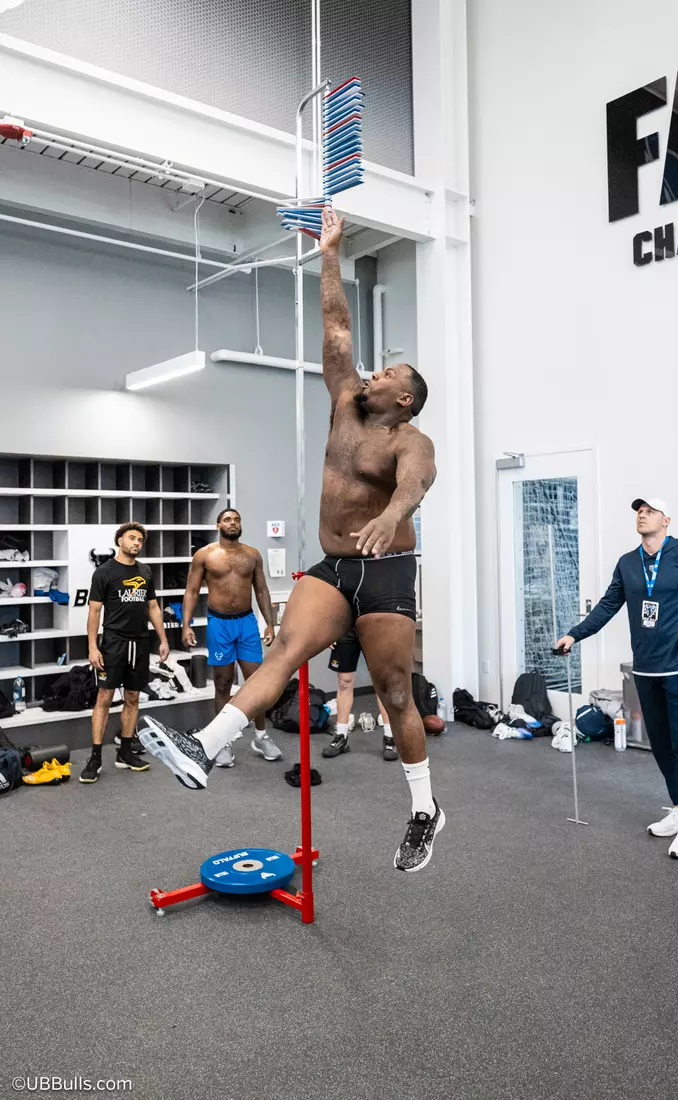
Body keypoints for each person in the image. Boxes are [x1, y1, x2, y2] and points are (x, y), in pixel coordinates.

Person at [140, 205, 442, 872]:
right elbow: (336, 327)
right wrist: (330, 252)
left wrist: (393, 514)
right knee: (282, 655)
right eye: (378, 370)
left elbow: (419, 481)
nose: (375, 375)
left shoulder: (410, 440)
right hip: (335, 568)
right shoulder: (344, 403)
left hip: (387, 571)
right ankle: (207, 749)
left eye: (389, 377)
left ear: (405, 402)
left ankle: (424, 809)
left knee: (394, 695)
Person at [556, 497, 678, 859]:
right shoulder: (627, 563)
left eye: (650, 510)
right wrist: (574, 634)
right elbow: (608, 605)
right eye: (639, 509)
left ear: (666, 520)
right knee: (662, 745)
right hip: (646, 667)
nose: (642, 514)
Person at [182, 508, 281, 766]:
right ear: (218, 525)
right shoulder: (205, 555)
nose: (233, 523)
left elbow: (261, 589)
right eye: (227, 519)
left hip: (247, 623)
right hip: (219, 624)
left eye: (237, 519)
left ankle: (260, 736)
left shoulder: (252, 555)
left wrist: (270, 624)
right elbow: (191, 592)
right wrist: (186, 625)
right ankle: (222, 741)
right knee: (223, 683)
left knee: (256, 682)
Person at [80, 522, 169, 783]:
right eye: (132, 538)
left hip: (140, 643)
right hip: (113, 643)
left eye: (140, 540)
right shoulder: (104, 572)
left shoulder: (146, 571)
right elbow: (94, 611)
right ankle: (95, 758)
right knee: (104, 698)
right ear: (119, 540)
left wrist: (162, 640)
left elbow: (152, 607)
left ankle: (125, 752)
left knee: (133, 697)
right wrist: (92, 646)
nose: (136, 544)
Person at [324, 628, 399, 761]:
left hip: (374, 624)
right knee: (344, 681)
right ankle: (341, 736)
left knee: (382, 681)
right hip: (346, 626)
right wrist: (330, 629)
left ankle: (390, 737)